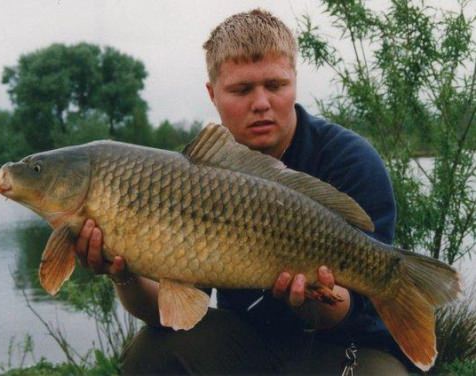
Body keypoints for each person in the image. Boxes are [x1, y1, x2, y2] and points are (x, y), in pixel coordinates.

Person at [75, 9, 413, 375]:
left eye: (275, 85)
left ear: (295, 82)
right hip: (250, 343)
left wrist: (308, 299)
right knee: (151, 350)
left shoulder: (348, 159)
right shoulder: (195, 173)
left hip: (346, 344)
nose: (261, 104)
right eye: (241, 89)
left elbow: (353, 308)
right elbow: (178, 309)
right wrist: (122, 274)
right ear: (212, 93)